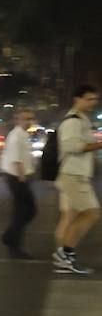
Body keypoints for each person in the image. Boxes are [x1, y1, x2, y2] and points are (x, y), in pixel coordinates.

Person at [52, 85, 102, 275]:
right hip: (73, 175)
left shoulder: (82, 119)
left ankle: (63, 256)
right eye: (89, 99)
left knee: (70, 216)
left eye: (95, 99)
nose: (93, 102)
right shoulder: (73, 122)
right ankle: (65, 254)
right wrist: (100, 144)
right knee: (92, 213)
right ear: (77, 99)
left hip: (74, 174)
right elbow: (73, 146)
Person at [0, 107, 37, 259]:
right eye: (25, 119)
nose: (29, 121)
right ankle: (13, 244)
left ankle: (9, 238)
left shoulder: (23, 135)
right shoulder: (16, 136)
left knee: (25, 212)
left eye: (30, 118)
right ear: (18, 119)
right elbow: (16, 159)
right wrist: (22, 177)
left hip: (19, 177)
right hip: (17, 178)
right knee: (25, 212)